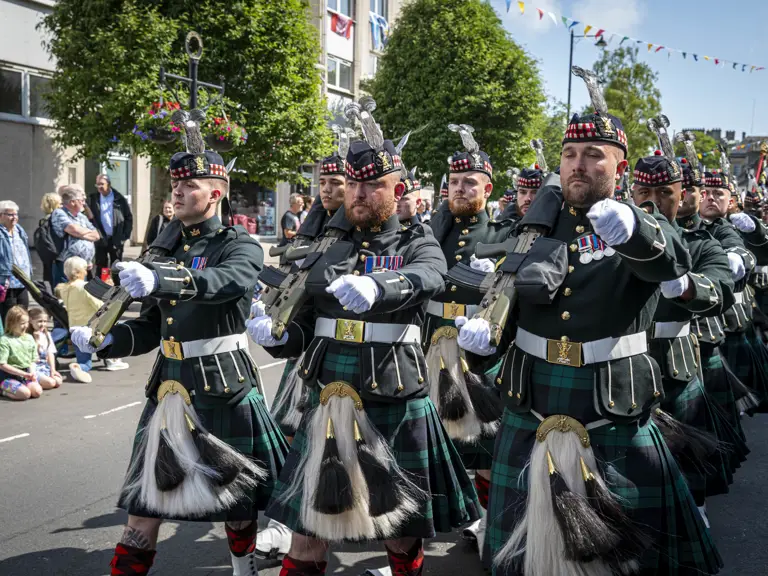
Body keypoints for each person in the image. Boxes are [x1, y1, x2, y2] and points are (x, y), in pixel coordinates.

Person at [458, 72, 721, 575]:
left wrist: (636, 232)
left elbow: (673, 263)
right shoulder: (531, 229)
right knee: (521, 557)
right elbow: (510, 302)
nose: (578, 165)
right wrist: (484, 338)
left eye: (594, 154)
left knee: (624, 560)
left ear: (618, 168)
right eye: (570, 155)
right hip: (531, 406)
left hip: (609, 410)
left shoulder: (637, 225)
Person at [248, 99, 479, 576]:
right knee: (309, 530)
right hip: (328, 388)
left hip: (394, 392)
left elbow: (430, 275)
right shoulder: (325, 245)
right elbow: (302, 327)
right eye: (354, 183)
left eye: (374, 184)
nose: (360, 193)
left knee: (399, 527)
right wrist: (273, 336)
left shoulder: (417, 239)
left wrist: (380, 286)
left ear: (398, 189)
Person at [70, 117, 288, 576]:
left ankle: (242, 567)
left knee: (237, 498)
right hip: (169, 387)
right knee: (144, 504)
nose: (178, 191)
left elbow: (228, 282)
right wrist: (109, 341)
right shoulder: (162, 250)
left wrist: (163, 277)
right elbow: (150, 328)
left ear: (216, 193)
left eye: (190, 184)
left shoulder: (240, 244)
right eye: (175, 183)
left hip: (223, 383)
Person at [255, 141, 350, 562]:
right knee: (292, 435)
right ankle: (283, 522)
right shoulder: (309, 229)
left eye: (336, 183)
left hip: (346, 353)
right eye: (322, 182)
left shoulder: (359, 234)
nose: (327, 190)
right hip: (304, 350)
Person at [422, 124, 514, 556]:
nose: (459, 189)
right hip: (428, 348)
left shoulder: (502, 236)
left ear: (488, 188)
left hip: (476, 352)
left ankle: (487, 526)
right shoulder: (431, 232)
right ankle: (420, 531)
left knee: (484, 449)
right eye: (454, 182)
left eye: (469, 182)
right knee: (429, 442)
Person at [631, 150, 734, 526]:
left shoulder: (699, 244)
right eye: (643, 192)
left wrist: (689, 286)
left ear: (681, 195)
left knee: (685, 458)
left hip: (675, 366)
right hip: (620, 367)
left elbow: (720, 288)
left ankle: (694, 513)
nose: (653, 203)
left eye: (664, 195)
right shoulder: (614, 240)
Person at [676, 161, 754, 471]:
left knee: (701, 427)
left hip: (705, 333)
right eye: (703, 191)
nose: (708, 197)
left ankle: (698, 499)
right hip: (648, 345)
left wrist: (734, 258)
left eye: (713, 192)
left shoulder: (719, 229)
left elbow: (744, 251)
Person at [55, 256, 128, 379]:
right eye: (84, 268)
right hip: (92, 328)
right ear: (78, 271)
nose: (86, 271)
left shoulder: (64, 289)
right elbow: (100, 306)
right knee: (112, 332)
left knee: (85, 361)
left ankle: (78, 367)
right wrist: (109, 289)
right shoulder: (85, 286)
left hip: (75, 329)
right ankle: (112, 361)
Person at [51, 184, 100, 287]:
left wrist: (80, 234)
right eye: (81, 200)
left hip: (82, 265)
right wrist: (82, 232)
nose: (84, 203)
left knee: (80, 295)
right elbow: (72, 229)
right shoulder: (59, 213)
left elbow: (96, 235)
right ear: (72, 202)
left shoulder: (81, 216)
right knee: (66, 297)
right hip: (67, 265)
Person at [88, 174, 134, 278]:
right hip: (101, 237)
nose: (99, 187)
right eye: (97, 184)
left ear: (108, 184)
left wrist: (125, 236)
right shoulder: (93, 199)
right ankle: (102, 287)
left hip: (117, 238)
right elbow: (89, 218)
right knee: (101, 265)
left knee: (116, 266)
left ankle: (116, 287)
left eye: (102, 184)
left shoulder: (119, 198)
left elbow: (128, 218)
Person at [0, 305, 44, 400]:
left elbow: (33, 359)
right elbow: (2, 364)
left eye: (27, 322)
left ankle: (20, 387)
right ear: (12, 323)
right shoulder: (4, 340)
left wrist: (32, 374)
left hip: (25, 374)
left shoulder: (29, 338)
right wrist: (23, 374)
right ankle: (2, 390)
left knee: (37, 391)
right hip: (7, 376)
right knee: (25, 394)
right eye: (22, 323)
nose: (26, 326)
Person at [0, 201, 32, 324]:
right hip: (7, 282)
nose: (15, 217)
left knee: (23, 313)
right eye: (10, 215)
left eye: (16, 214)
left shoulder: (19, 230)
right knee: (10, 316)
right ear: (0, 215)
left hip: (23, 280)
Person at [27, 307, 63, 389]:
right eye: (40, 321)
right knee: (51, 383)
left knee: (58, 381)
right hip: (33, 368)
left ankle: (43, 380)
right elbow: (32, 356)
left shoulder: (46, 334)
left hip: (44, 366)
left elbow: (50, 353)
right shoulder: (28, 336)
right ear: (31, 320)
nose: (43, 324)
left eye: (45, 321)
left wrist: (53, 370)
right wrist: (36, 341)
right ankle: (32, 384)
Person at [39, 192, 63, 286]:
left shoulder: (44, 220)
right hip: (57, 257)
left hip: (48, 257)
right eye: (60, 203)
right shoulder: (56, 220)